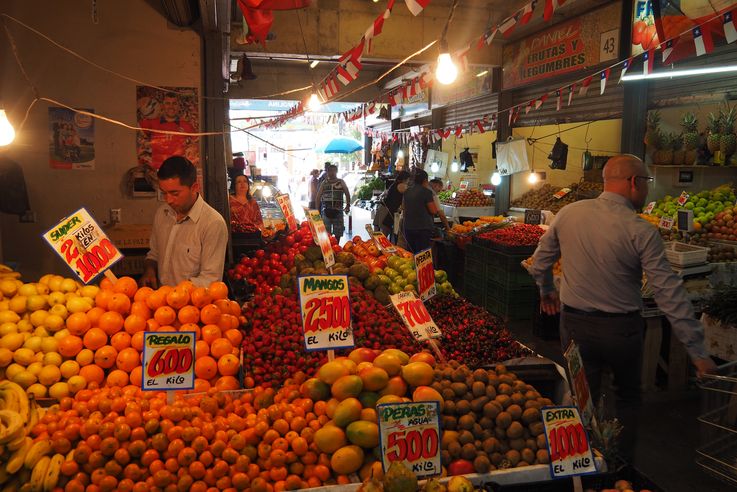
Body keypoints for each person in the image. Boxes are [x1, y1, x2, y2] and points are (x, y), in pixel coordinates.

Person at [527, 154, 716, 459]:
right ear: (633, 183)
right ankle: (619, 467)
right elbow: (668, 292)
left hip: (575, 326)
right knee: (627, 399)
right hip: (622, 332)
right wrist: (697, 351)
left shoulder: (569, 214)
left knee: (581, 395)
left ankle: (576, 460)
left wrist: (547, 289)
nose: (646, 190)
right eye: (646, 182)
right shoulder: (641, 230)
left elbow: (539, 263)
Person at [141, 156, 228, 288]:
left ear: (194, 187)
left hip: (192, 307)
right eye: (164, 193)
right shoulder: (162, 213)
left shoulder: (213, 223)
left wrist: (177, 294)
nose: (168, 200)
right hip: (160, 303)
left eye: (175, 193)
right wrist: (150, 270)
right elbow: (154, 254)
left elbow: (211, 279)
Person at [140, 92, 197, 170]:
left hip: (178, 171)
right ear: (162, 106)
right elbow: (138, 137)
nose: (171, 106)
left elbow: (197, 144)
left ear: (179, 106)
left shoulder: (186, 125)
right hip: (157, 171)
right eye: (168, 103)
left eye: (174, 103)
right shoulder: (151, 123)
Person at [402, 169, 447, 253]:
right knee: (422, 254)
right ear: (425, 180)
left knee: (411, 252)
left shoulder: (407, 191)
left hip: (408, 227)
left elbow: (404, 208)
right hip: (422, 228)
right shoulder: (427, 192)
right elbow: (433, 210)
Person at [316, 164, 350, 239]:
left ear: (336, 171)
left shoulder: (341, 182)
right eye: (330, 171)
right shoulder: (324, 183)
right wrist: (317, 209)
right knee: (326, 232)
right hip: (326, 210)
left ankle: (336, 245)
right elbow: (318, 196)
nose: (332, 172)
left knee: (338, 231)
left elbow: (347, 193)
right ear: (327, 172)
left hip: (338, 210)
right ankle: (330, 246)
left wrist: (348, 205)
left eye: (333, 171)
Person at [373, 171, 409, 240]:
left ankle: (376, 247)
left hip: (383, 208)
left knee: (378, 232)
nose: (408, 181)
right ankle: (379, 248)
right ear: (405, 179)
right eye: (408, 179)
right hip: (387, 211)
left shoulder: (394, 184)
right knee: (384, 233)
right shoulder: (402, 185)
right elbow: (410, 193)